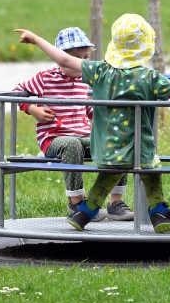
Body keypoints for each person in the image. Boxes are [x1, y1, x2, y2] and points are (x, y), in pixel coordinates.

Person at [15, 14, 170, 234]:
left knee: (111, 172)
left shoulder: (100, 72)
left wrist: (35, 39)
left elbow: (64, 59)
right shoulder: (149, 77)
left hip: (106, 149)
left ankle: (84, 213)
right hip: (138, 147)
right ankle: (158, 212)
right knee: (151, 167)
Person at [13, 27, 133, 221]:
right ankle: (78, 204)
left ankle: (115, 202)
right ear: (60, 58)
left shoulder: (86, 81)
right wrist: (33, 109)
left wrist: (108, 123)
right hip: (54, 139)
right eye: (76, 59)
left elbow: (90, 109)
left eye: (85, 58)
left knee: (118, 142)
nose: (81, 64)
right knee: (72, 144)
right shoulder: (45, 78)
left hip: (83, 136)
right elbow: (17, 93)